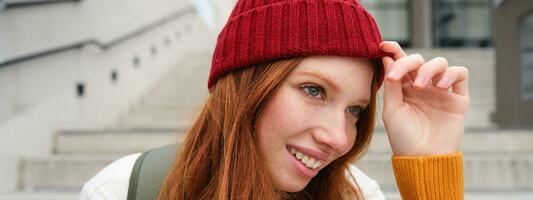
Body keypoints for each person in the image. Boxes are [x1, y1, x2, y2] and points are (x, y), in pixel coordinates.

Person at [80, 0, 468, 199]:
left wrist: (428, 166)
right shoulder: (122, 190)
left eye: (355, 110)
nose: (339, 137)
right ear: (246, 87)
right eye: (314, 90)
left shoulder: (356, 194)